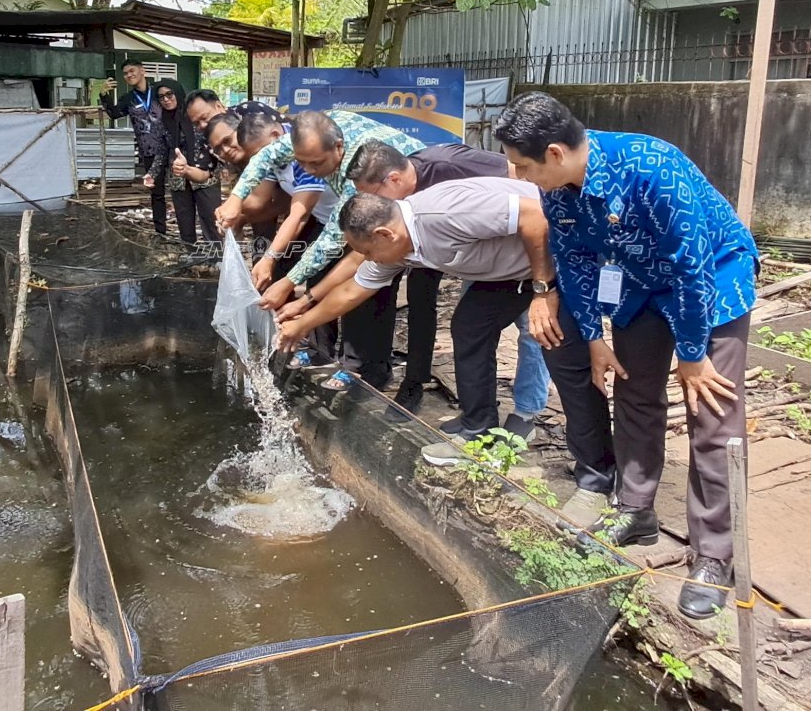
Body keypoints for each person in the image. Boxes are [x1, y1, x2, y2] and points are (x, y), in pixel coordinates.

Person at [493, 91, 759, 622]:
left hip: (713, 279)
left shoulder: (651, 167)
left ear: (554, 153)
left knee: (713, 413)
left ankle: (714, 556)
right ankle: (636, 510)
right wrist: (594, 336)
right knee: (636, 392)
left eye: (523, 166)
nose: (518, 177)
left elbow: (691, 268)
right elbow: (574, 260)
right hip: (639, 286)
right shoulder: (558, 190)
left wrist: (692, 354)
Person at [273, 180, 612, 474]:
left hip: (566, 252)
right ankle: (478, 431)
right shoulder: (398, 245)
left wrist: (543, 290)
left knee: (561, 352)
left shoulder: (443, 214)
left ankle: (597, 475)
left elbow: (536, 216)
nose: (369, 259)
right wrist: (302, 324)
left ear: (384, 234)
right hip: (513, 270)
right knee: (469, 326)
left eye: (367, 251)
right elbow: (352, 290)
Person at [217, 110, 426, 389]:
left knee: (372, 289)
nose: (308, 171)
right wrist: (235, 199)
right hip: (362, 217)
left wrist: (288, 282)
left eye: (315, 163)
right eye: (301, 162)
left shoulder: (358, 171)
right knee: (329, 277)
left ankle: (374, 371)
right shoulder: (308, 135)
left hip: (409, 215)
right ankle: (325, 352)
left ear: (338, 147)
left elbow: (331, 238)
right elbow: (264, 158)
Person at [349, 140, 544, 419]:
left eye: (374, 195)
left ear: (393, 179)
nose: (374, 204)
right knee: (470, 327)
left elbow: (523, 186)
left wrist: (541, 283)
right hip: (474, 255)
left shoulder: (447, 169)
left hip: (533, 249)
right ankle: (477, 417)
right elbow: (358, 279)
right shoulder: (403, 219)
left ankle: (526, 412)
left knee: (536, 328)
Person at [233, 109, 341, 362]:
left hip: (337, 222)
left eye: (263, 152)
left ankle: (322, 354)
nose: (264, 160)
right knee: (285, 271)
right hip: (319, 217)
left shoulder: (304, 152)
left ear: (275, 135)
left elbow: (298, 214)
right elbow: (261, 200)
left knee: (318, 279)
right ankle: (292, 336)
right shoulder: (275, 158)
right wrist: (234, 208)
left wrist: (269, 258)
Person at [99, 61, 168, 235]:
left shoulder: (159, 92)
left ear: (142, 71)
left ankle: (187, 232)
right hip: (149, 151)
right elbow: (114, 114)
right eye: (125, 73)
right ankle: (161, 233)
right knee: (157, 193)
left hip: (171, 146)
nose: (129, 75)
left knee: (180, 188)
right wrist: (103, 94)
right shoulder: (127, 99)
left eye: (132, 71)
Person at [154, 84, 221, 246]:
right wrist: (152, 173)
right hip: (178, 176)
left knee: (211, 218)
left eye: (169, 94)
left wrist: (223, 166)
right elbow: (162, 150)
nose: (166, 99)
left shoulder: (195, 116)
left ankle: (216, 256)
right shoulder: (163, 121)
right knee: (184, 221)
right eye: (161, 97)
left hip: (205, 173)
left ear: (178, 93)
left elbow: (215, 142)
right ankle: (191, 254)